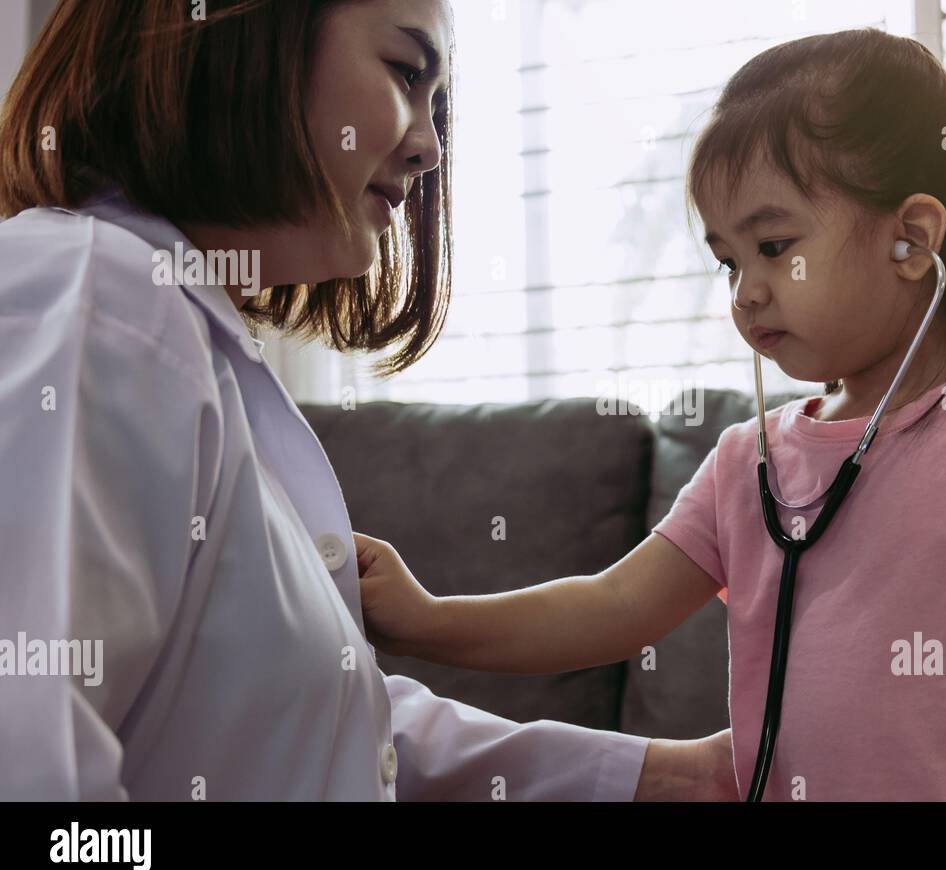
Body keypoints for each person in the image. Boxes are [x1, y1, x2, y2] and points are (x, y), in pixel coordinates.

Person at [354, 29, 946, 801]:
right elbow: (611, 607)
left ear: (912, 240)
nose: (745, 291)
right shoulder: (749, 463)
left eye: (773, 247)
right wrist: (428, 620)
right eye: (726, 260)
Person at [0, 0, 733, 801]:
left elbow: (331, 728)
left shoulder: (176, 335)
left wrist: (672, 778)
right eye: (405, 72)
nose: (428, 147)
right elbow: (32, 758)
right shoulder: (96, 297)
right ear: (243, 36)